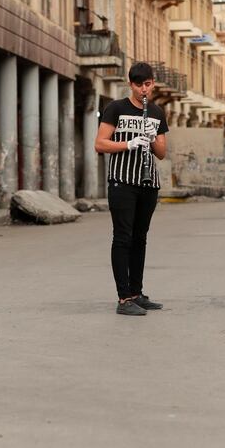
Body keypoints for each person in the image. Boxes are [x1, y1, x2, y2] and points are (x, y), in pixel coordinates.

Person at [95, 62, 169, 316]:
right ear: (131, 84)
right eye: (139, 85)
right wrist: (129, 143)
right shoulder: (116, 108)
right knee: (123, 237)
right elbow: (100, 144)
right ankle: (124, 298)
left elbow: (161, 153)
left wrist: (152, 137)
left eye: (147, 84)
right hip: (122, 182)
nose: (143, 90)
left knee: (140, 238)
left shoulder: (157, 112)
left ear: (153, 83)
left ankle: (137, 293)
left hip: (148, 184)